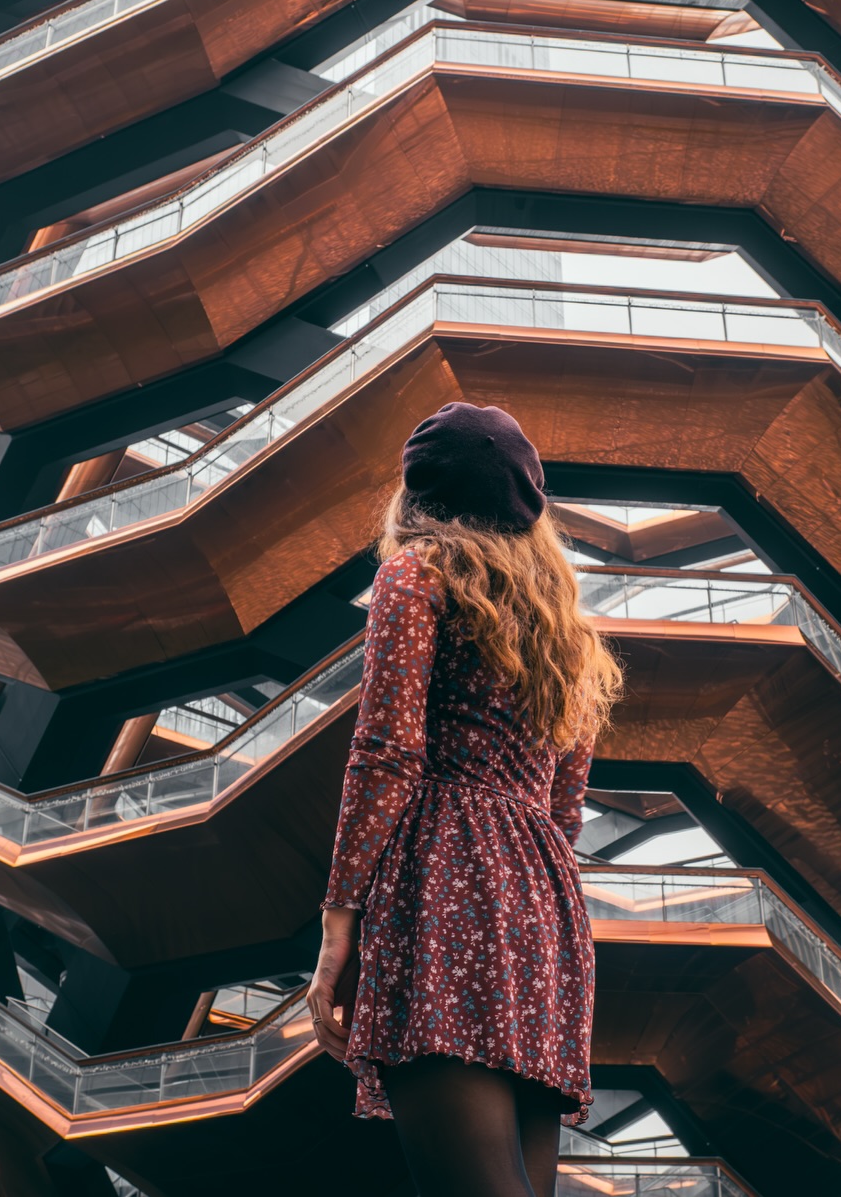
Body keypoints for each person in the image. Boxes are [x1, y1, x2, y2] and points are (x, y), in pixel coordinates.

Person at [308, 402, 621, 1197]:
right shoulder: (570, 635)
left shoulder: (415, 575)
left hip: (449, 886)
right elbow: (565, 811)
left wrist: (338, 923)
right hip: (547, 913)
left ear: (419, 494)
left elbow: (387, 755)